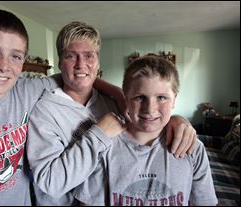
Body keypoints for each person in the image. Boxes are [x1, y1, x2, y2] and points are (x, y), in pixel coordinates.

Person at [0, 9, 124, 206]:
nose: (3, 65)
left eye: (15, 56)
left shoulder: (26, 91)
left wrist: (123, 97)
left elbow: (79, 79)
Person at [26, 21, 198, 206]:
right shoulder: (44, 111)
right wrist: (99, 133)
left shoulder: (113, 102)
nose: (81, 64)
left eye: (88, 56)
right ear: (60, 62)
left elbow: (147, 121)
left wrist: (176, 120)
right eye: (71, 56)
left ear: (98, 61)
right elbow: (50, 183)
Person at [74, 56, 218, 206]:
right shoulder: (104, 147)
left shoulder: (192, 148)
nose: (150, 109)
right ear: (126, 99)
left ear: (174, 99)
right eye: (140, 97)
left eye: (161, 97)